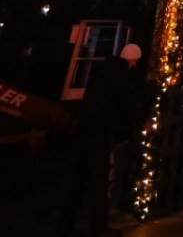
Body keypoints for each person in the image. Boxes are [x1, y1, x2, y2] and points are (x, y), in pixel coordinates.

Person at [55, 43, 141, 237]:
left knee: (79, 180)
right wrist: (137, 120)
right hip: (99, 133)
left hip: (85, 130)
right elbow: (125, 102)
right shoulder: (120, 75)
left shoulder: (101, 72)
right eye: (135, 61)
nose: (135, 65)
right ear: (132, 58)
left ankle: (65, 223)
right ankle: (98, 227)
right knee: (99, 181)